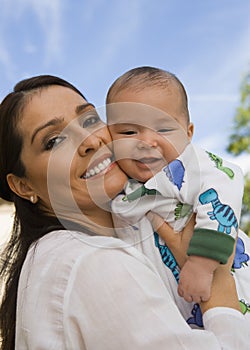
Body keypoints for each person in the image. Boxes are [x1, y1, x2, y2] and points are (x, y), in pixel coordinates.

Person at [0, 75, 249, 350]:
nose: (90, 141)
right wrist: (217, 282)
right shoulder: (90, 260)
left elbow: (223, 180)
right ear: (22, 186)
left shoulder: (144, 201)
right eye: (55, 140)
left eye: (90, 120)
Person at [106, 66, 249, 305]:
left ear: (188, 133)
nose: (147, 142)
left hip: (227, 279)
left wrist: (202, 264)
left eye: (163, 129)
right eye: (129, 131)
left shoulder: (191, 165)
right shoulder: (122, 188)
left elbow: (227, 182)